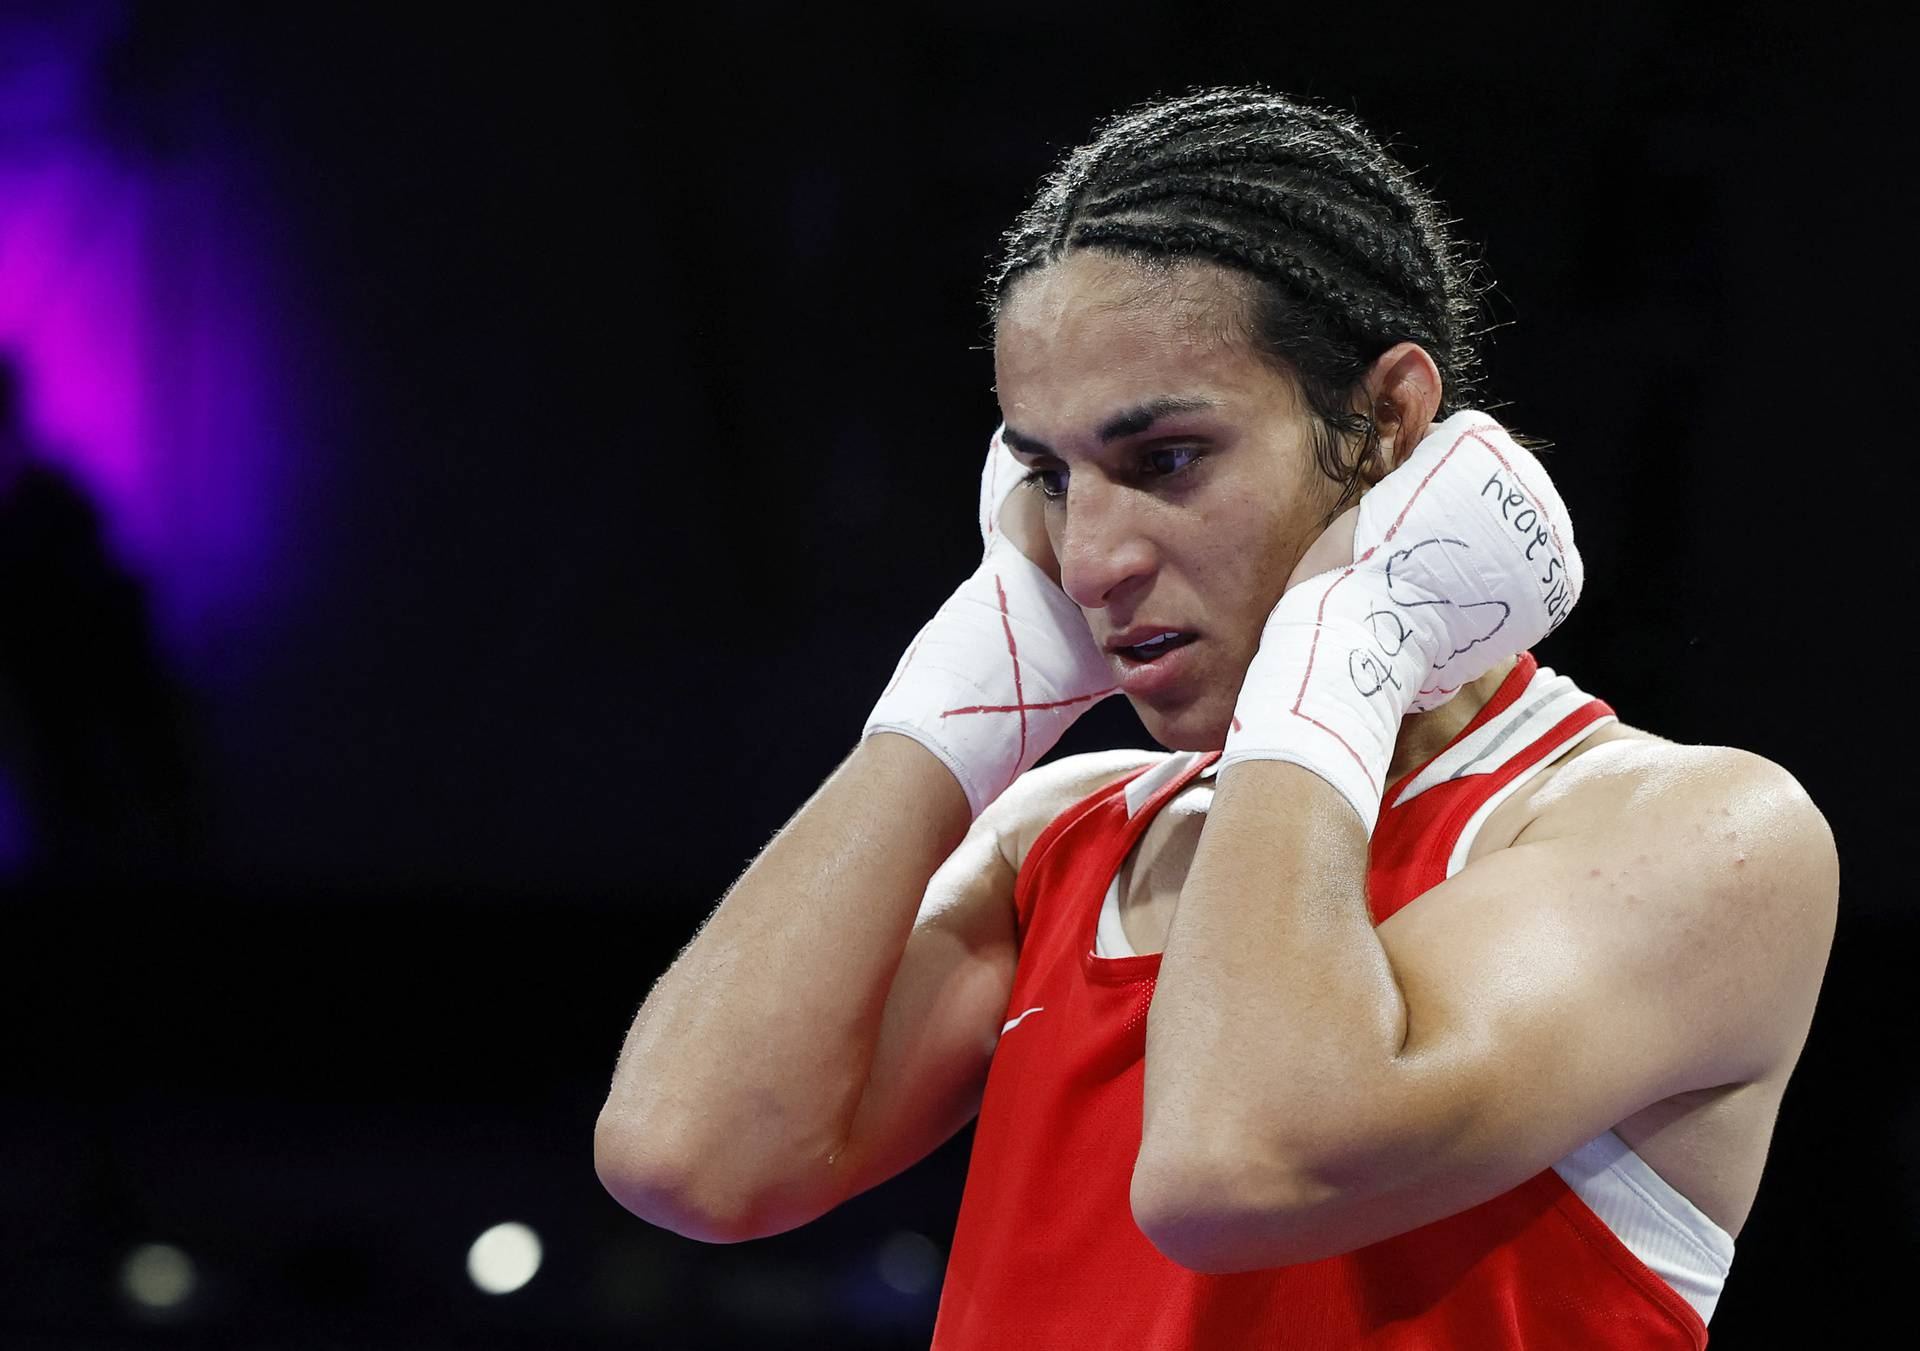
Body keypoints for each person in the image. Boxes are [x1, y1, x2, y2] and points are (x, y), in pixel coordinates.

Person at [594, 87, 1836, 1348]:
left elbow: (1242, 1160)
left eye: (1166, 460)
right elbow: (690, 1159)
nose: (1087, 561)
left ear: (1387, 424)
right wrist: (960, 704)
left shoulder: (1697, 834)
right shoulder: (1062, 836)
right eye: (1048, 478)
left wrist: (1354, 624)